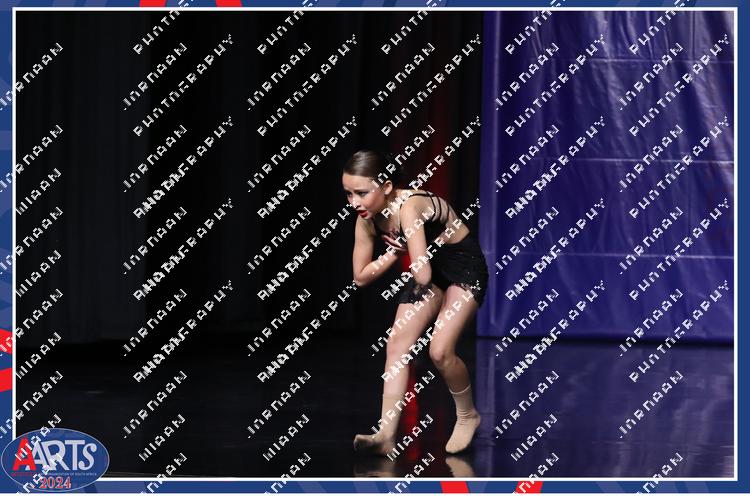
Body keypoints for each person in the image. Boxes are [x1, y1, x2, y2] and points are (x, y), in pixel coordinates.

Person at [342, 150, 489, 455]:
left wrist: (402, 248)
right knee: (396, 344)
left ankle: (468, 415)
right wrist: (392, 254)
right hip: (430, 271)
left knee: (439, 351)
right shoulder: (366, 220)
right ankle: (385, 434)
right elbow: (360, 277)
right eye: (348, 194)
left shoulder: (409, 206)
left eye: (362, 193)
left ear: (386, 186)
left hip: (462, 268)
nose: (354, 202)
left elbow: (422, 274)